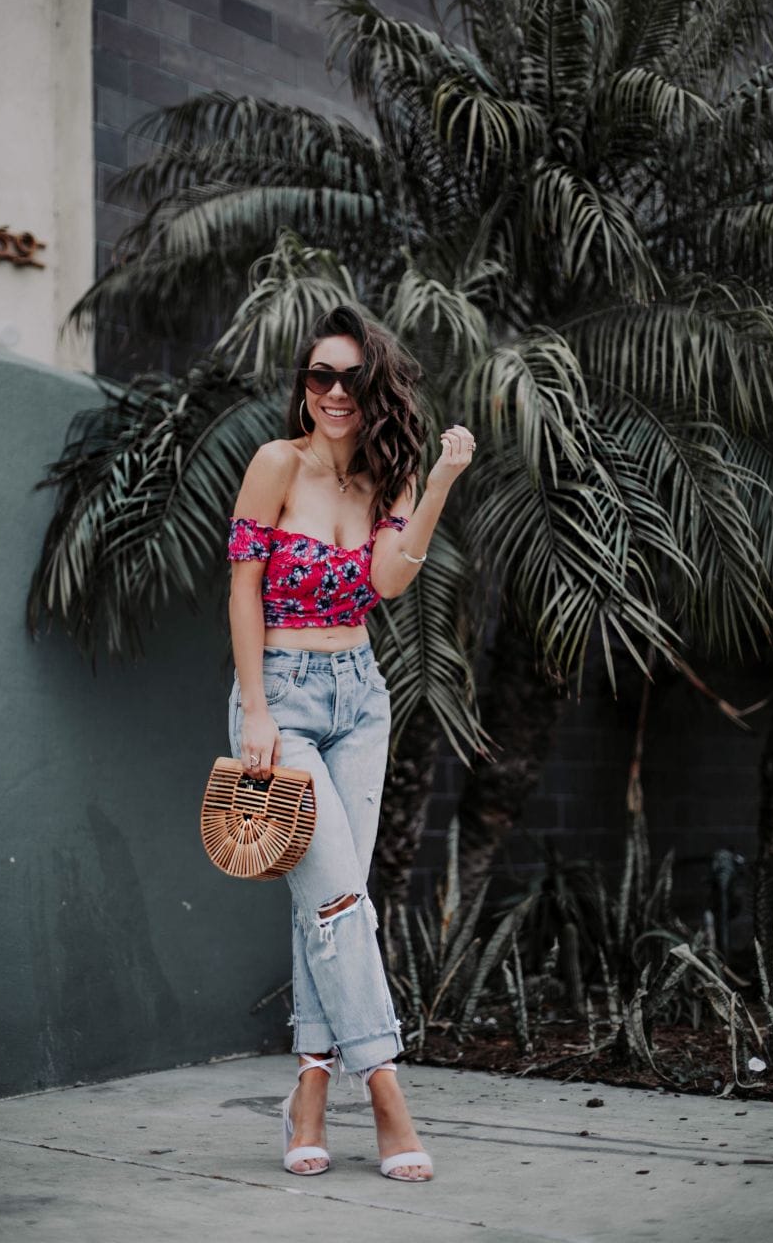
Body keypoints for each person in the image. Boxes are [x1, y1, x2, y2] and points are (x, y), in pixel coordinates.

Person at [226, 305, 475, 1182]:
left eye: (350, 378)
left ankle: (309, 1088)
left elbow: (388, 582)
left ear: (376, 389)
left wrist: (437, 483)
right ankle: (385, 1089)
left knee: (330, 901)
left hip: (361, 699)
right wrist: (256, 711)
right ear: (304, 385)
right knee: (338, 903)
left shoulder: (388, 476)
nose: (333, 392)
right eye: (319, 376)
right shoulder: (275, 463)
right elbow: (243, 590)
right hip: (282, 699)